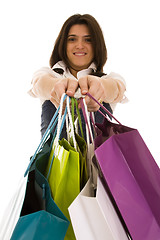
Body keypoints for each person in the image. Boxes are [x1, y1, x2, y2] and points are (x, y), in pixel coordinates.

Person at [29, 14, 127, 137]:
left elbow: (117, 88)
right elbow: (39, 84)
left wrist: (101, 87)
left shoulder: (109, 79)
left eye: (88, 39)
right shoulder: (49, 75)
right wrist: (56, 86)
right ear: (63, 44)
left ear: (97, 45)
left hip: (97, 157)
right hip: (53, 157)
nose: (80, 45)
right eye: (72, 39)